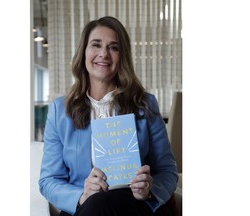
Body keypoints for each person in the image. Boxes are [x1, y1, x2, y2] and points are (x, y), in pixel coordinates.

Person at [39, 16, 178, 216]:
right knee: (97, 204)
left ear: (122, 56)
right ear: (84, 52)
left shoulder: (145, 104)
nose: (104, 54)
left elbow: (167, 171)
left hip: (134, 207)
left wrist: (149, 190)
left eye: (114, 47)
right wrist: (82, 195)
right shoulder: (59, 111)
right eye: (96, 45)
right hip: (85, 207)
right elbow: (48, 180)